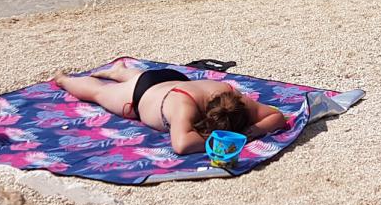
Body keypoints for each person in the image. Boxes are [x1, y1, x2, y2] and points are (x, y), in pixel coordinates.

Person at [54, 60, 287, 155]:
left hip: (173, 79)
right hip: (141, 94)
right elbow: (182, 145)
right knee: (98, 92)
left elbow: (277, 117)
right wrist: (234, 139)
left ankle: (121, 71)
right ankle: (64, 79)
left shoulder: (235, 101)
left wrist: (248, 133)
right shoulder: (184, 109)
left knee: (140, 77)